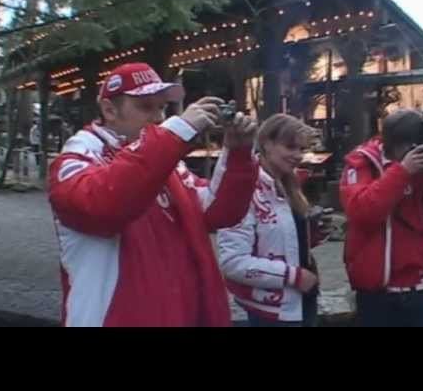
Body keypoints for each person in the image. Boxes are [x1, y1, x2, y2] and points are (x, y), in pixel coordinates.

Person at [48, 62, 258, 327]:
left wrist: (238, 154)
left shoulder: (164, 161)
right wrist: (176, 132)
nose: (158, 117)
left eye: (161, 107)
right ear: (109, 110)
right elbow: (104, 206)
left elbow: (216, 213)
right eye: (146, 107)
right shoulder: (77, 158)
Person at [340, 109, 423, 327]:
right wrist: (402, 171)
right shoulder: (363, 162)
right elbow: (361, 212)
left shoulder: (422, 168)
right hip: (377, 292)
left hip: (422, 288)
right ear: (394, 143)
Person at [217, 114, 330, 327]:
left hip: (301, 302)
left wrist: (310, 235)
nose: (298, 155)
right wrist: (294, 276)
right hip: (270, 311)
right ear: (267, 144)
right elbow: (233, 262)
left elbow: (279, 239)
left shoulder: (290, 184)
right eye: (290, 147)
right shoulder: (244, 188)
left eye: (302, 149)